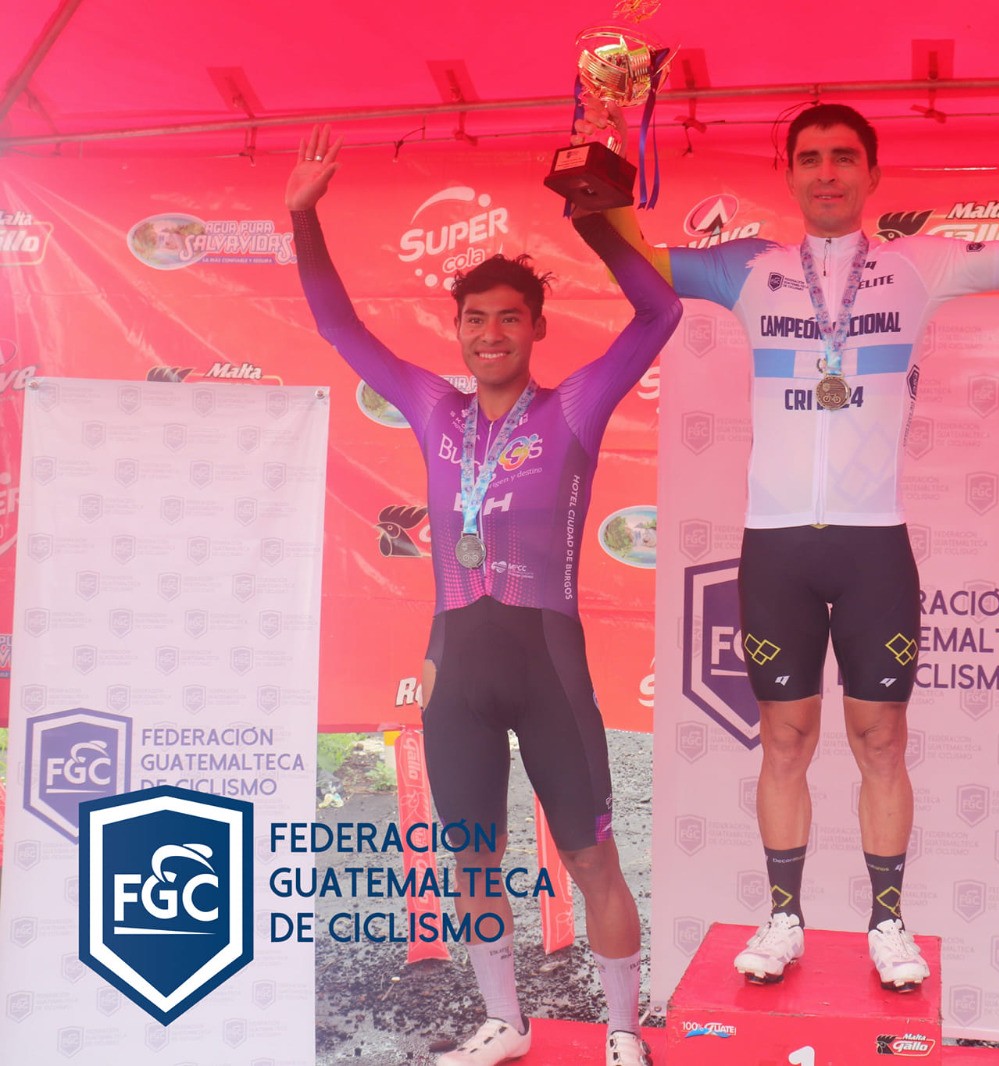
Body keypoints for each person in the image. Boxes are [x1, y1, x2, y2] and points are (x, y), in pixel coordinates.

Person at [574, 100, 999, 990]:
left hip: (874, 543)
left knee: (881, 740)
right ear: (791, 174)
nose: (828, 172)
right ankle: (784, 919)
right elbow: (639, 262)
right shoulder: (749, 269)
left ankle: (889, 923)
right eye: (810, 158)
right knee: (785, 738)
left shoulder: (918, 265)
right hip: (776, 548)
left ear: (873, 174)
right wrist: (599, 182)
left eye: (844, 157)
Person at [286, 125, 682, 1066]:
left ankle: (623, 1031)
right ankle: (505, 1021)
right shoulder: (434, 409)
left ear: (537, 327)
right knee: (471, 855)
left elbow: (660, 313)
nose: (490, 334)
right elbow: (341, 329)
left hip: (548, 667)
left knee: (589, 857)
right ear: (457, 329)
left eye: (509, 318)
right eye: (475, 319)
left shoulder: (572, 408)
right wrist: (303, 217)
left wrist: (595, 224)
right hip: (457, 669)